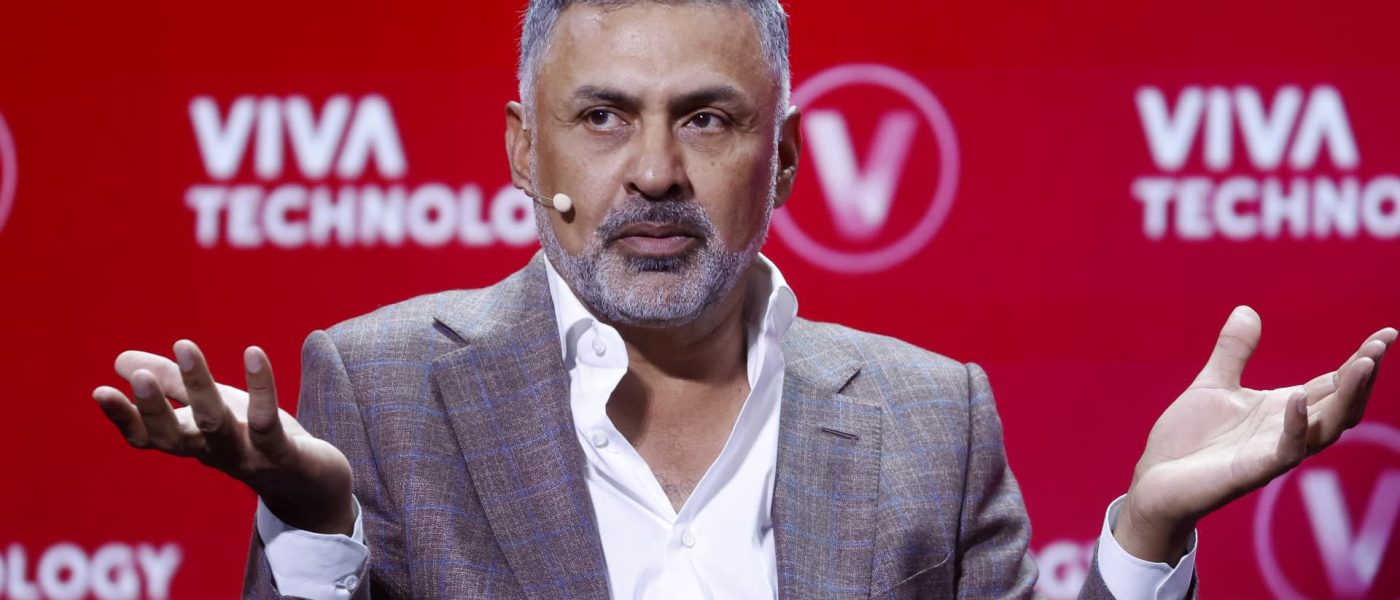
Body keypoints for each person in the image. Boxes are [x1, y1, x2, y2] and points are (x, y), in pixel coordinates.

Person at [91, 1, 1394, 598]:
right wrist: (316, 532)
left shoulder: (932, 417)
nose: (655, 171)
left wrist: (1144, 537)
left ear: (785, 159)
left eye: (707, 119)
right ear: (523, 151)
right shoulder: (376, 386)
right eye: (603, 117)